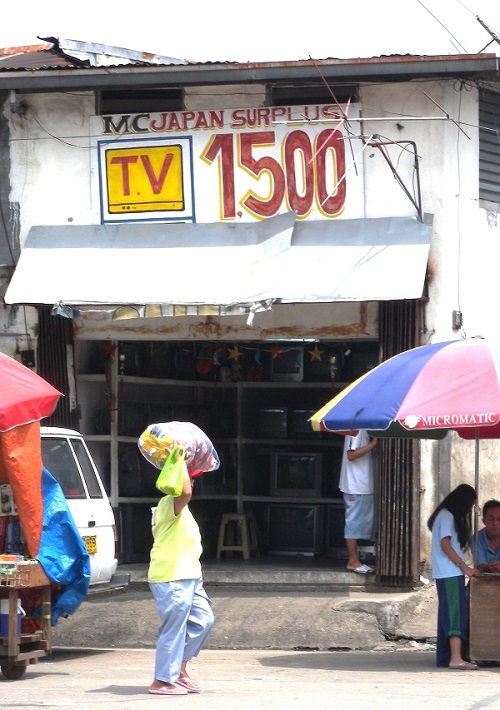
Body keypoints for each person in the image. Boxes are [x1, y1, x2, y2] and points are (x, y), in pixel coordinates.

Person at [147, 458, 214, 696]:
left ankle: (180, 670)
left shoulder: (181, 510)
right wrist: (179, 458)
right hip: (172, 576)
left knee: (203, 620)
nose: (192, 484)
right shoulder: (169, 504)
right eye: (189, 479)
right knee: (174, 628)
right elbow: (184, 491)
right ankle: (162, 680)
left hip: (190, 576)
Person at [427, 484, 479, 670]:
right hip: (450, 573)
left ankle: (446, 657)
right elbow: (445, 544)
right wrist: (465, 567)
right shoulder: (447, 516)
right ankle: (456, 658)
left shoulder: (442, 515)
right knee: (456, 614)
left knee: (448, 613)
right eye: (470, 506)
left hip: (446, 573)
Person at [339, 430, 377, 574]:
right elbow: (352, 455)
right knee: (353, 524)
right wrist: (373, 443)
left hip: (360, 484)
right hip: (356, 485)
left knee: (357, 524)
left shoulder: (361, 429)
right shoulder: (359, 429)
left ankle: (355, 560)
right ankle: (353, 561)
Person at [471, 499, 500, 573]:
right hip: (483, 582)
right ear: (484, 521)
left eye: (499, 519)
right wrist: (487, 567)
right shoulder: (476, 539)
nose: (495, 523)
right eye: (491, 519)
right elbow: (479, 566)